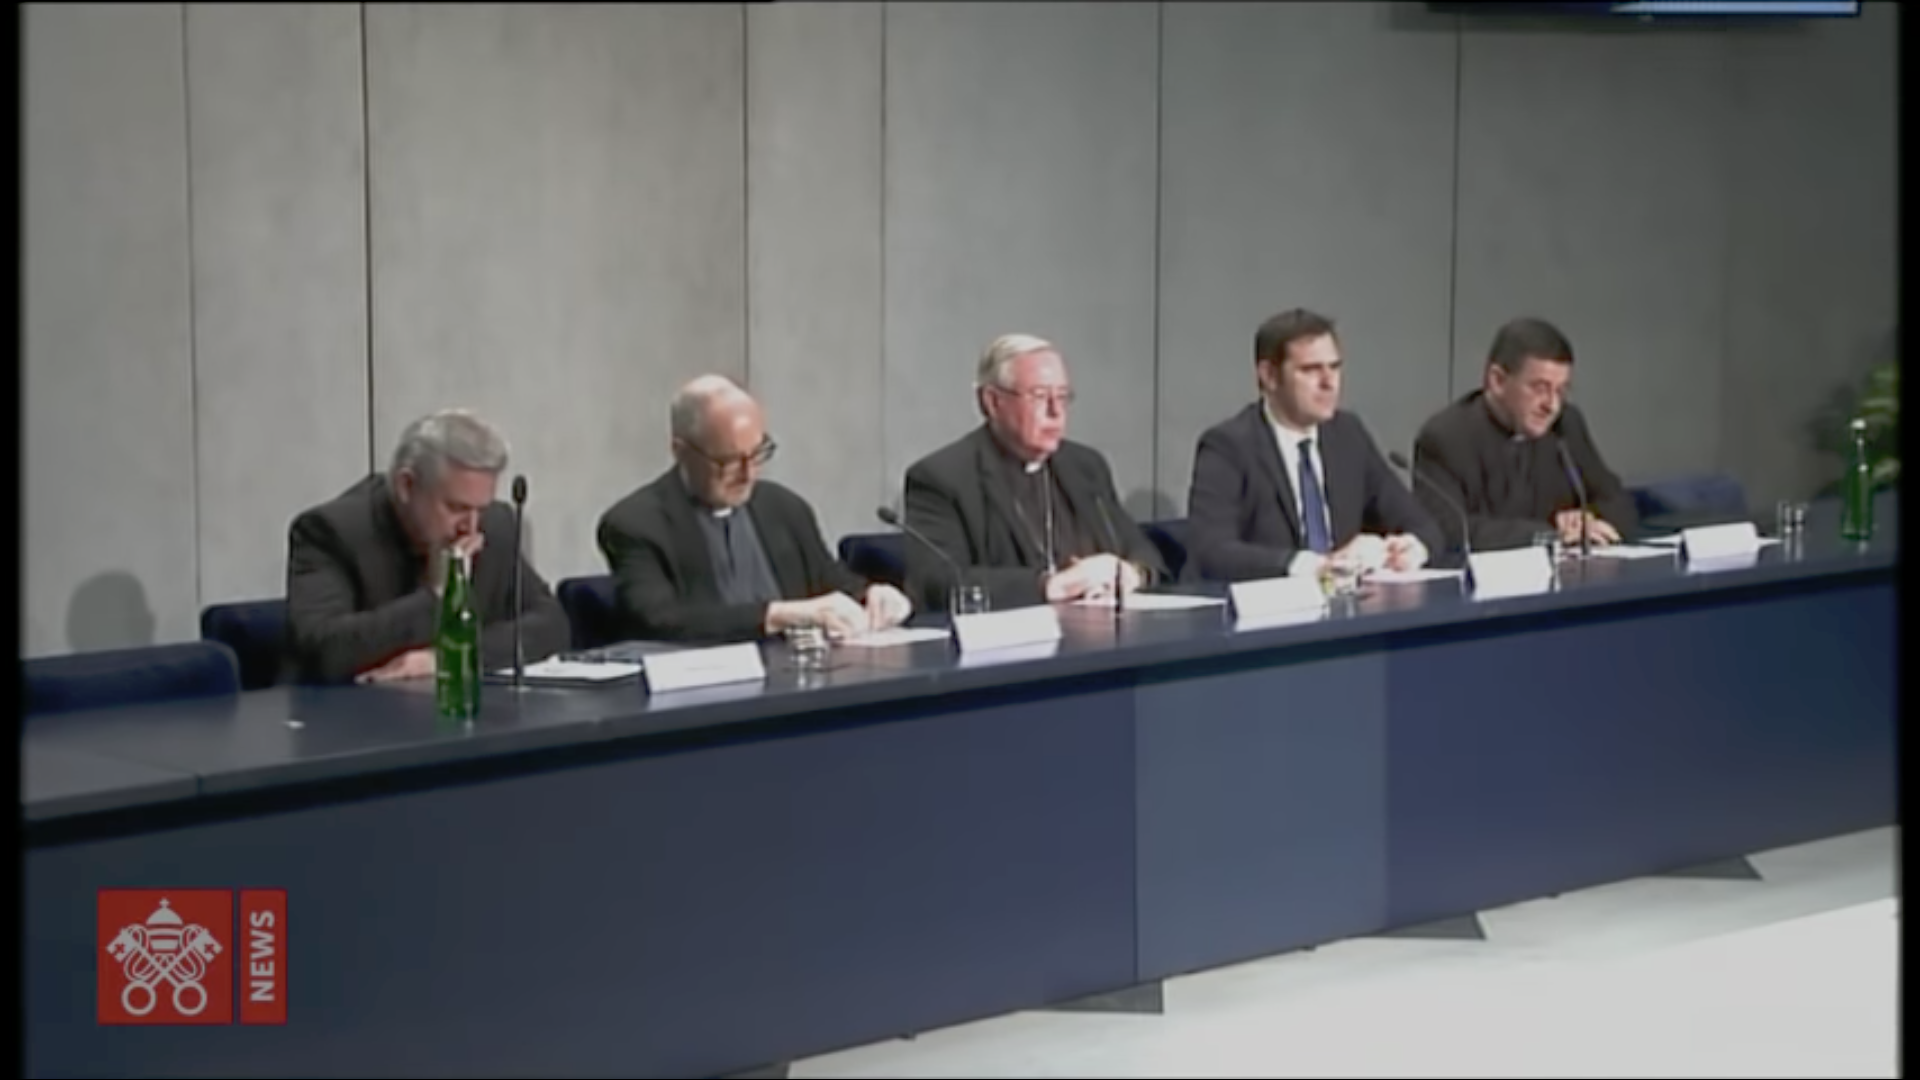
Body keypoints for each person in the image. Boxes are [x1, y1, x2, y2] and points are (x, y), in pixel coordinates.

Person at [597, 374, 913, 644]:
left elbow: (832, 583)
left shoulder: (784, 508)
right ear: (680, 451)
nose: (748, 474)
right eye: (729, 461)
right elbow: (659, 621)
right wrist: (776, 615)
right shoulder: (636, 523)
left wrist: (873, 596)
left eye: (758, 453)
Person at [285, 408, 569, 685]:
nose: (470, 527)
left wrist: (447, 658)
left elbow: (552, 625)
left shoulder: (495, 525)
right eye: (456, 508)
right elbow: (324, 650)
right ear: (406, 486)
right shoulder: (332, 531)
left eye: (481, 508)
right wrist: (435, 596)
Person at [901, 333, 1167, 610]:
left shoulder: (1085, 466)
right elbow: (937, 582)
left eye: (1062, 396)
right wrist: (1052, 586)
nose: (1055, 411)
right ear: (992, 402)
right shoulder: (943, 477)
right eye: (1039, 396)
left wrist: (1129, 574)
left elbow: (1143, 552)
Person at [1187, 308, 1442, 582]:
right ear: (1269, 376)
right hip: (1274, 603)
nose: (1329, 383)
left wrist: (1412, 548)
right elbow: (1212, 551)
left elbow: (1423, 525)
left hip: (1349, 602)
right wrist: (1314, 566)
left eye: (1335, 367)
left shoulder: (1347, 435)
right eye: (1311, 370)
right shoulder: (1229, 446)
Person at [1412, 316, 1638, 552]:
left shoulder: (1565, 425)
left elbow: (1618, 502)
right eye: (1540, 388)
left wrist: (1587, 519)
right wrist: (1550, 534)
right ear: (1497, 381)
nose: (1552, 405)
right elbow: (1449, 531)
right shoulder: (1446, 438)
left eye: (1561, 391)